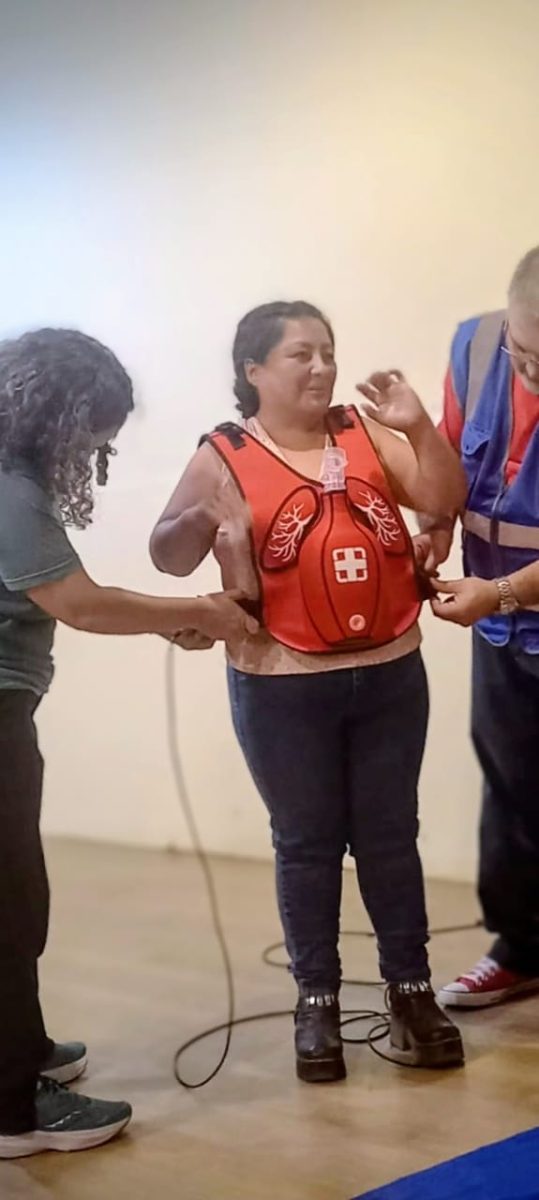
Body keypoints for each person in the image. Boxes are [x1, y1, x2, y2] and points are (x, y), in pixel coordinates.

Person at [150, 300, 467, 1083]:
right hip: (281, 683)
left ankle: (411, 991)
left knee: (390, 836)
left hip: (389, 669)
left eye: (327, 351)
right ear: (253, 369)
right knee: (306, 843)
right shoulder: (223, 452)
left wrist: (418, 428)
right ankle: (316, 1002)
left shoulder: (362, 430)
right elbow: (168, 556)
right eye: (301, 354)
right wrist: (203, 522)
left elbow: (442, 499)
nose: (321, 367)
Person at [0, 327, 257, 1160]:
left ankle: (21, 1049)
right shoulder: (9, 488)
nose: (91, 454)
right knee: (8, 904)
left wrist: (174, 618)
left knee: (18, 894)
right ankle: (12, 1109)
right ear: (54, 416)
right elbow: (80, 602)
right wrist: (195, 611)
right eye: (90, 437)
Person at [415, 245, 539, 1009]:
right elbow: (451, 461)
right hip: (502, 626)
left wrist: (497, 593)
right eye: (526, 353)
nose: (531, 372)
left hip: (503, 600)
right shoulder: (474, 345)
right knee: (512, 782)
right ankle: (520, 947)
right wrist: (432, 526)